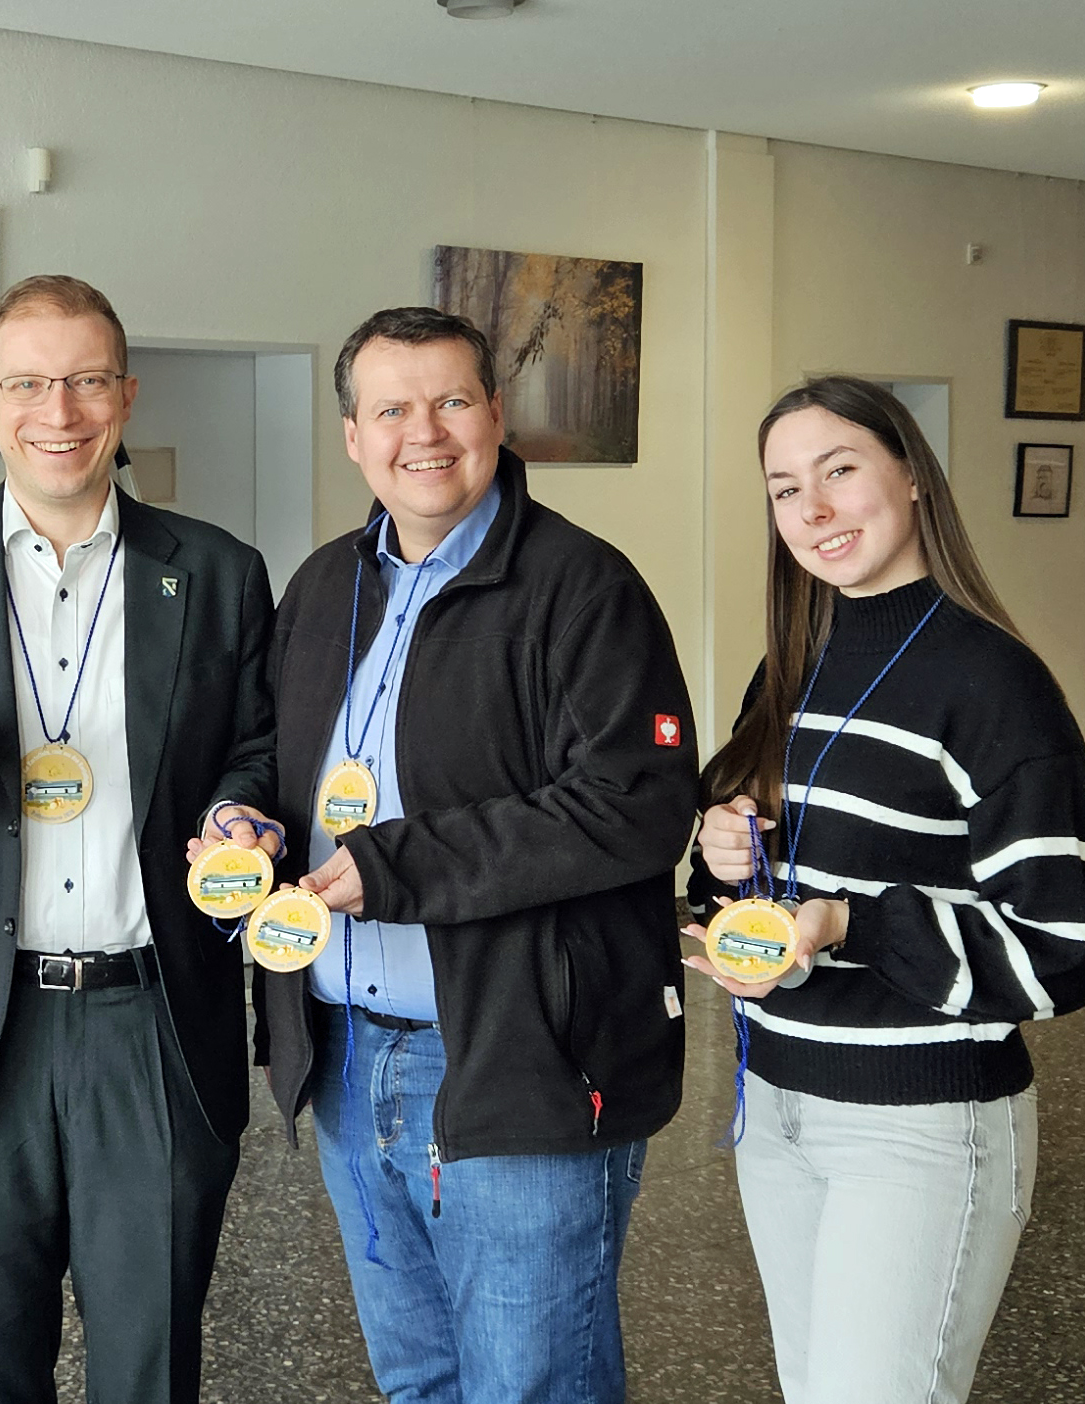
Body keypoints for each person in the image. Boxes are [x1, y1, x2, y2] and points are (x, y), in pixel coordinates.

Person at [0, 274, 279, 1404]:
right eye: (27, 383)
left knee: (149, 1366)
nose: (57, 411)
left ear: (126, 394)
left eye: (84, 381)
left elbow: (259, 748)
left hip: (155, 1020)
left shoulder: (216, 572)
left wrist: (239, 810)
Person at [254, 306, 698, 1404]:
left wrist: (402, 865)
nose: (425, 433)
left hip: (518, 1058)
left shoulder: (583, 588)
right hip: (349, 1056)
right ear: (352, 436)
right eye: (391, 410)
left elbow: (636, 805)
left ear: (496, 416)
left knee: (529, 1388)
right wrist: (239, 819)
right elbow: (269, 759)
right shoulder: (322, 587)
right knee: (417, 1381)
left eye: (452, 401)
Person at [686, 375, 1085, 1404]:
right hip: (774, 1104)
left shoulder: (995, 684)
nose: (814, 509)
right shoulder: (793, 664)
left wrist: (849, 922)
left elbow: (1061, 954)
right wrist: (725, 860)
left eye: (840, 470)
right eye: (786, 489)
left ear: (913, 475)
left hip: (919, 1125)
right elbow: (746, 892)